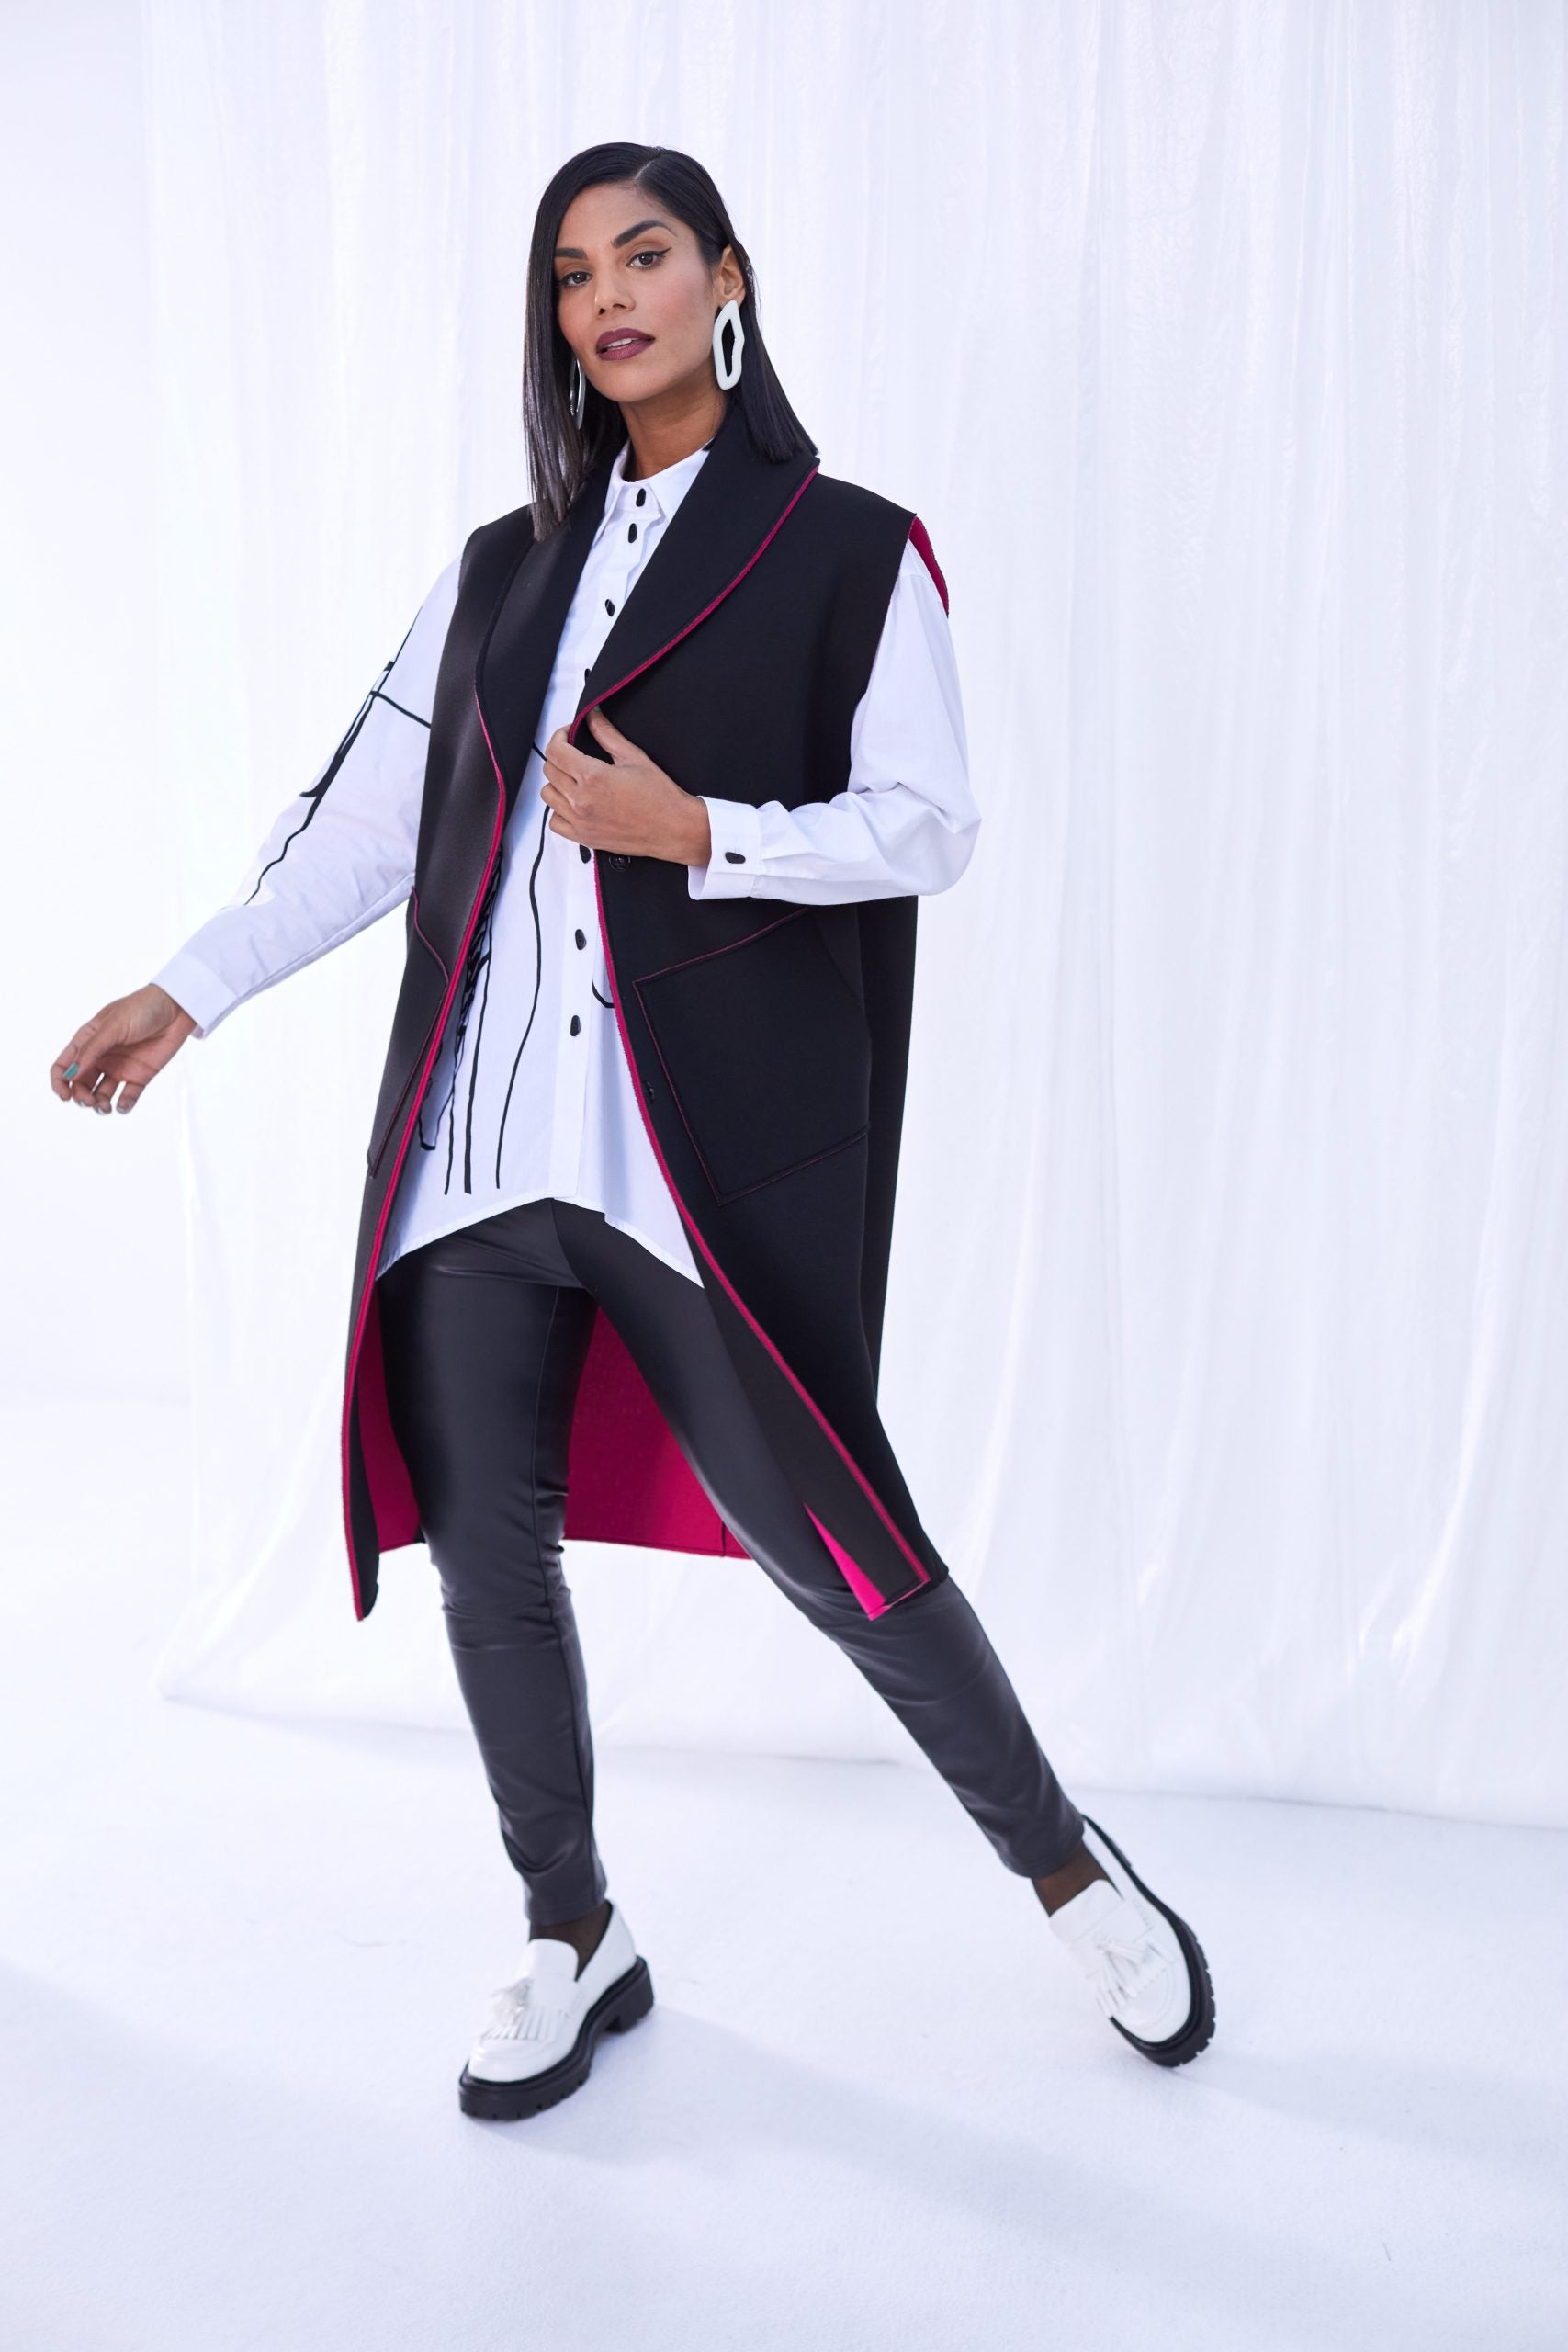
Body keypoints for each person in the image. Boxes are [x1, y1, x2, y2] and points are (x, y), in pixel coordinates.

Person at [51, 142, 1214, 2120]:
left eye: (645, 255)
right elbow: (363, 829)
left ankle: (1062, 1868)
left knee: (835, 1539)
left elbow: (925, 823)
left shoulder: (847, 548)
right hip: (476, 1142)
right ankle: (569, 1927)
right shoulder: (499, 566)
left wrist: (698, 833)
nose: (607, 295)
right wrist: (193, 984)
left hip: (675, 1154)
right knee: (484, 1551)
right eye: (574, 270)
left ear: (724, 281)